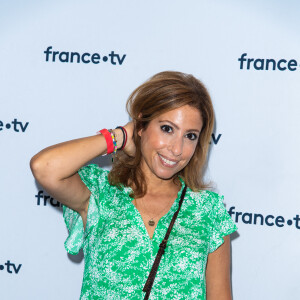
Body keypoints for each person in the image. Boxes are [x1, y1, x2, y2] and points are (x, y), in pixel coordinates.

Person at [30, 71, 237, 300]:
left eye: (190, 136)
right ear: (141, 125)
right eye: (167, 129)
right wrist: (119, 137)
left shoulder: (207, 211)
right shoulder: (100, 193)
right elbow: (44, 167)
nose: (177, 149)